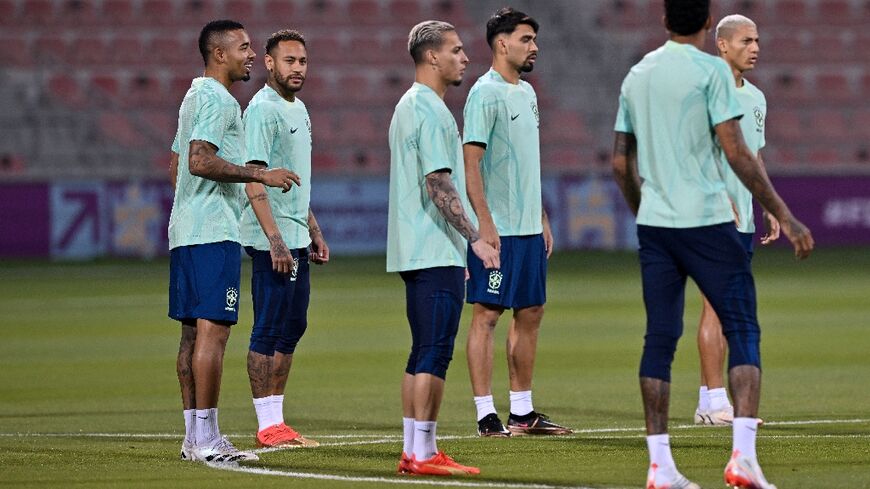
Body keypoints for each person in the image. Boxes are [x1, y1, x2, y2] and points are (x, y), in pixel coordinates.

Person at [611, 1, 814, 488]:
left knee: (659, 338)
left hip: (657, 224)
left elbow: (621, 163)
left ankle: (659, 467)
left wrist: (644, 211)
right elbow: (736, 149)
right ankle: (742, 458)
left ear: (664, 21)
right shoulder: (711, 72)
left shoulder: (637, 75)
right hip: (708, 218)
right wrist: (783, 213)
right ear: (707, 25)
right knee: (742, 327)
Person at [168, 19, 300, 464]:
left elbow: (176, 165)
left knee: (191, 336)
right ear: (219, 54)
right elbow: (199, 160)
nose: (250, 55)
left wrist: (192, 203)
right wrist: (260, 173)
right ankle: (208, 439)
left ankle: (193, 437)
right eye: (244, 47)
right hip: (212, 232)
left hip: (185, 228)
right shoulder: (219, 100)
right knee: (214, 333)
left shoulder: (192, 97)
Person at [387, 20, 499, 476]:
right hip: (433, 248)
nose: (465, 57)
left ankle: (414, 450)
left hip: (420, 248)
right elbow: (438, 182)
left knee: (421, 351)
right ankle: (425, 452)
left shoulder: (408, 106)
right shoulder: (430, 109)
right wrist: (475, 238)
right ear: (432, 56)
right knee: (435, 350)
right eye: (456, 50)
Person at [462, 7, 570, 437]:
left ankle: (522, 412)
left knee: (531, 311)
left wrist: (541, 214)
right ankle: (485, 412)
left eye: (535, 40)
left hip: (527, 227)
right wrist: (484, 225)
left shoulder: (527, 93)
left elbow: (528, 163)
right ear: (501, 43)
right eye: (526, 39)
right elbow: (471, 165)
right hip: (499, 230)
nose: (534, 47)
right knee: (487, 315)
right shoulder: (483, 94)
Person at [240, 29, 328, 448]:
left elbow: (294, 178)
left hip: (294, 234)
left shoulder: (300, 108)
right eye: (289, 61)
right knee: (268, 327)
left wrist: (312, 229)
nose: (298, 68)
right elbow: (254, 180)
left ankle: (277, 421)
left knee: (294, 326)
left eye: (303, 61)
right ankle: (266, 425)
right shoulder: (262, 109)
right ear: (270, 63)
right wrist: (273, 238)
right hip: (269, 239)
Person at [695, 13, 778, 427]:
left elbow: (755, 157)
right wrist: (716, 197)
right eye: (746, 40)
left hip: (743, 218)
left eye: (757, 40)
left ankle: (709, 399)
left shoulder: (757, 98)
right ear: (722, 45)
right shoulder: (705, 91)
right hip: (711, 218)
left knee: (730, 309)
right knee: (715, 307)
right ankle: (711, 403)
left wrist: (769, 205)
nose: (755, 47)